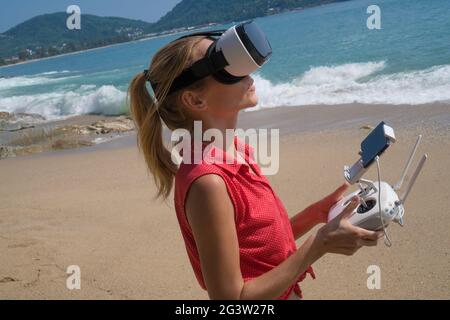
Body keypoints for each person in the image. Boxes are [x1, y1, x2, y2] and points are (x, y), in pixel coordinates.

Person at [128, 34, 383, 300]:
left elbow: (257, 247)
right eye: (225, 68)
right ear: (195, 101)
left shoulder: (234, 151)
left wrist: (316, 214)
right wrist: (320, 244)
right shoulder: (208, 183)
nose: (245, 71)